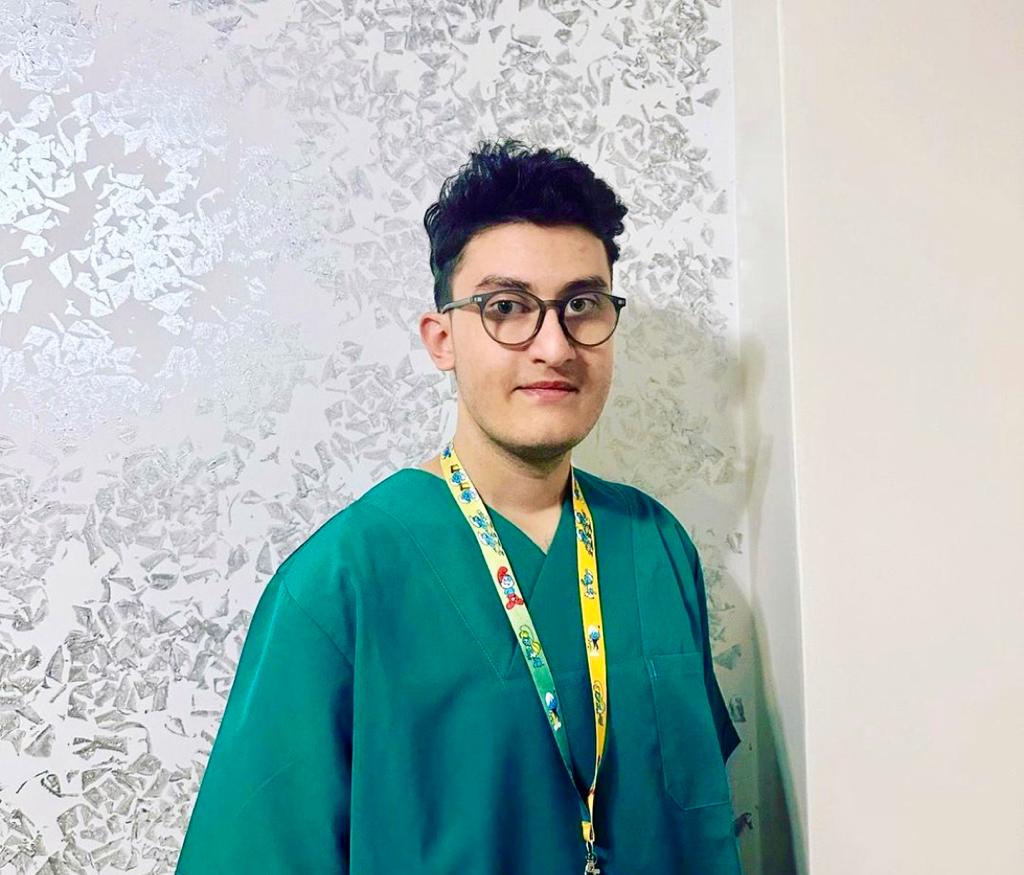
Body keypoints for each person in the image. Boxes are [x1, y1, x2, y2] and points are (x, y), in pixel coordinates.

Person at [176, 138, 743, 874]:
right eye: (507, 307)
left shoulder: (656, 545)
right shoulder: (341, 583)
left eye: (582, 305)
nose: (554, 346)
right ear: (442, 339)